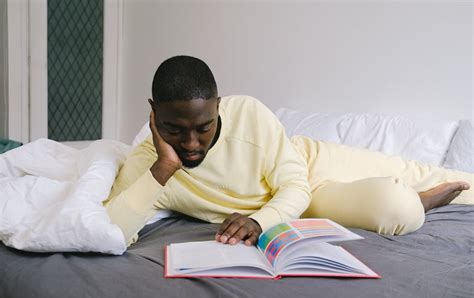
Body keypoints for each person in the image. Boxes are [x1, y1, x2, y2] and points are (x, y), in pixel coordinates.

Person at [105, 55, 473, 247]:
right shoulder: (149, 164)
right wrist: (163, 169)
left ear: (217, 107)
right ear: (153, 112)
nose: (190, 144)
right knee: (401, 208)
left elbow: (296, 185)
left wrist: (259, 222)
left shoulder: (247, 113)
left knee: (435, 174)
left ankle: (424, 189)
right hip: (306, 206)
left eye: (204, 128)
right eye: (174, 129)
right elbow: (110, 231)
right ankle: (420, 201)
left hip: (306, 169)